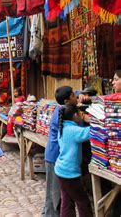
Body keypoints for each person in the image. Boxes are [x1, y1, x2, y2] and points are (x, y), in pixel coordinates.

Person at [43, 86, 90, 216]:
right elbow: (82, 132)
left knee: (65, 199)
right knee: (54, 197)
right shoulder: (64, 118)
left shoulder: (63, 112)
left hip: (59, 160)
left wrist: (82, 94)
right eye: (73, 95)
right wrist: (88, 119)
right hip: (55, 157)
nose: (76, 96)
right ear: (66, 101)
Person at [55, 104, 93, 217]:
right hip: (69, 173)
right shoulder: (74, 131)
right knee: (83, 202)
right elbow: (94, 131)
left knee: (67, 201)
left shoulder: (63, 128)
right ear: (76, 115)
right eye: (80, 113)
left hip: (60, 170)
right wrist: (91, 120)